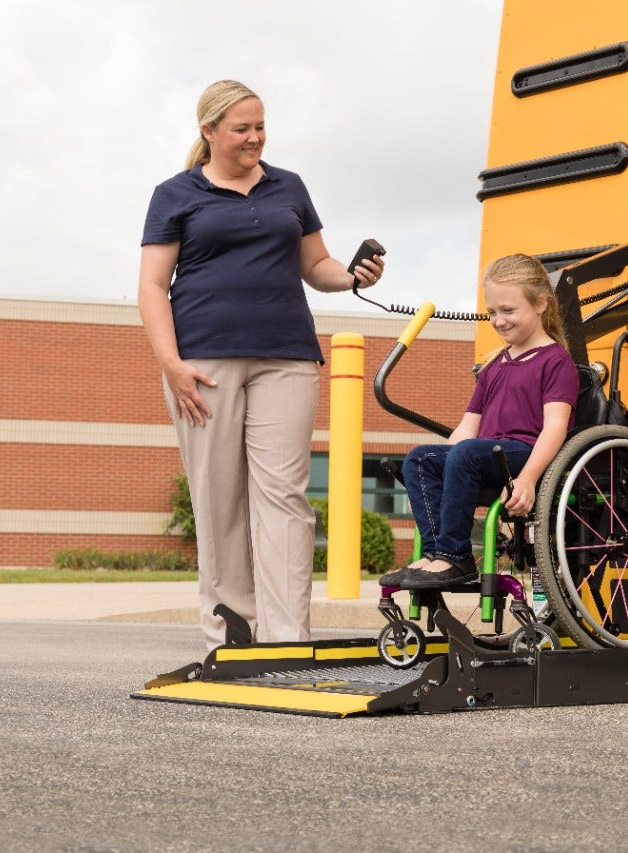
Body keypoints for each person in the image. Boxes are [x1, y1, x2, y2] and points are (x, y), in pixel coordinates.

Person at [138, 79, 385, 651]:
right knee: (220, 500)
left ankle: (288, 638)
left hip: (286, 358)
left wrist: (352, 277)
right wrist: (171, 365)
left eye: (260, 126)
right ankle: (232, 640)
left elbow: (317, 266)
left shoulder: (288, 186)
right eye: (241, 129)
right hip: (203, 364)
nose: (255, 138)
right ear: (208, 132)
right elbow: (152, 286)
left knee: (284, 500)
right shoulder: (175, 194)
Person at [383, 253, 579, 590]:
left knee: (467, 453)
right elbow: (467, 428)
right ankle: (436, 556)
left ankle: (454, 557)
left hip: (526, 454)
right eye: (492, 312)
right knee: (420, 459)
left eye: (508, 310)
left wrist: (528, 479)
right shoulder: (494, 366)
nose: (499, 320)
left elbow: (555, 427)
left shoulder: (556, 362)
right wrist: (444, 467)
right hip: (483, 455)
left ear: (540, 305)